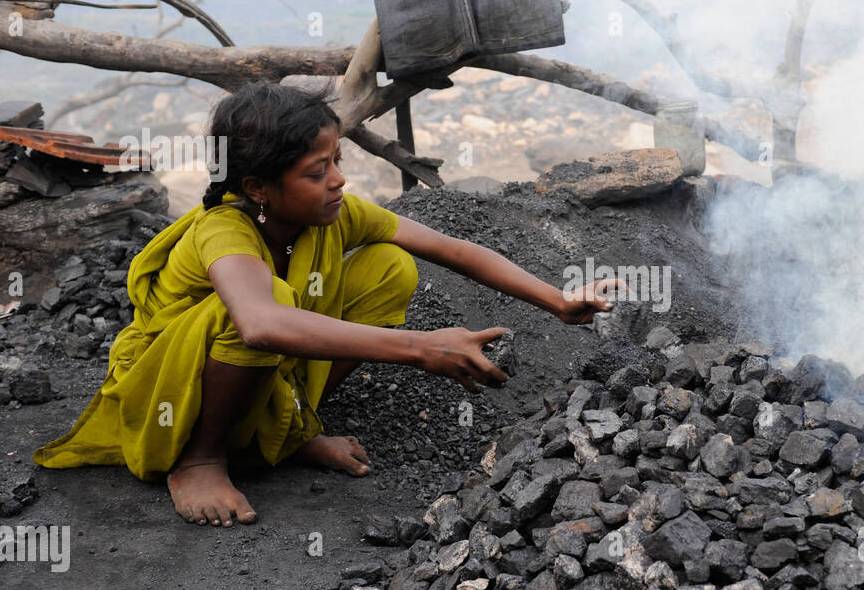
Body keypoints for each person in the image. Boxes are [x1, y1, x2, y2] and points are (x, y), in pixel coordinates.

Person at [33, 82, 618, 528]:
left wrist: (557, 300)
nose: (338, 181)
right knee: (264, 307)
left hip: (251, 374)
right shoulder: (224, 232)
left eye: (338, 162)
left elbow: (455, 250)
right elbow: (261, 325)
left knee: (390, 266)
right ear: (258, 187)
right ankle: (201, 460)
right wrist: (421, 347)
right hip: (165, 391)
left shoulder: (330, 214)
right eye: (318, 171)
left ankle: (291, 432)